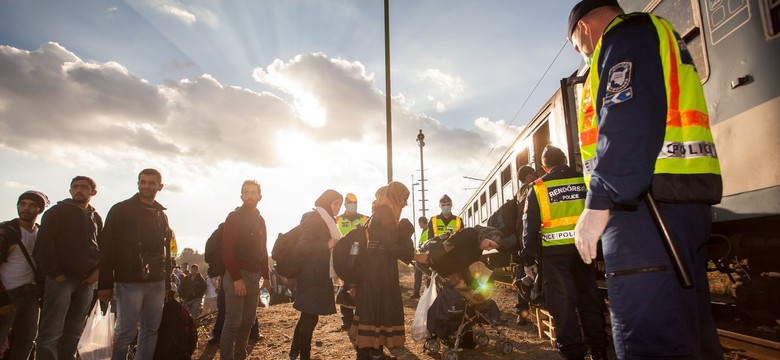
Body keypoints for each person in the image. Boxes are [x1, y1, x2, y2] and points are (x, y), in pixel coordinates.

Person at [568, 1, 723, 358]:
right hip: (678, 204)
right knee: (690, 332)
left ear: (583, 30)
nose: (584, 54)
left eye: (578, 48)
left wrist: (599, 202)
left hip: (644, 210)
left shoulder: (624, 37)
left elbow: (626, 117)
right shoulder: (655, 35)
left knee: (650, 341)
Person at [520, 145, 608, 360]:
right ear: (565, 160)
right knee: (589, 300)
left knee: (563, 305)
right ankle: (599, 351)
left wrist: (528, 256)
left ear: (544, 166)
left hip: (554, 255)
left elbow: (529, 225)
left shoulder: (538, 187)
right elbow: (601, 211)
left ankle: (573, 353)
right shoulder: (584, 179)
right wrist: (602, 252)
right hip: (584, 250)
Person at [97, 168, 172, 360]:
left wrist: (167, 283)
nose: (146, 186)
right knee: (125, 332)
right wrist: (104, 283)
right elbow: (107, 247)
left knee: (150, 330)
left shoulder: (161, 215)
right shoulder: (120, 210)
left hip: (156, 282)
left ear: (160, 186)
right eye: (143, 182)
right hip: (129, 280)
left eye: (151, 182)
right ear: (138, 183)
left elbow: (166, 251)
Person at [351, 182, 427, 360]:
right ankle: (371, 355)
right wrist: (416, 257)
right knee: (379, 309)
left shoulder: (380, 212)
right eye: (403, 198)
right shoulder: (385, 213)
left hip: (376, 268)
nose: (405, 203)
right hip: (378, 270)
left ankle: (372, 353)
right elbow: (391, 246)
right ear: (395, 196)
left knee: (374, 310)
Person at [34, 176, 102, 360]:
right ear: (70, 191)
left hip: (86, 282)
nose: (79, 190)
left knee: (74, 331)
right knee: (51, 331)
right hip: (61, 280)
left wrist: (97, 272)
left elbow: (102, 247)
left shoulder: (95, 217)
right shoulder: (56, 212)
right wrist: (57, 274)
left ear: (93, 192)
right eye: (75, 187)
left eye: (84, 187)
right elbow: (44, 246)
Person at [289, 190, 343, 360]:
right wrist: (327, 244)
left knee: (307, 316)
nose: (338, 208)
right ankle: (304, 356)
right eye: (335, 203)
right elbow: (303, 247)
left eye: (339, 204)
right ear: (326, 202)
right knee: (310, 318)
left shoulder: (327, 220)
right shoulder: (315, 219)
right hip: (312, 276)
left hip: (318, 275)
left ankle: (293, 353)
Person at [220, 180, 271, 360]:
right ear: (241, 196)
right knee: (233, 322)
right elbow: (227, 250)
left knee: (248, 321)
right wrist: (236, 278)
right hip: (237, 274)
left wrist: (266, 276)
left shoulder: (260, 220)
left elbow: (263, 249)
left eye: (253, 192)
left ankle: (240, 355)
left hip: (254, 275)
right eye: (246, 192)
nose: (249, 196)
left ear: (260, 196)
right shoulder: (234, 217)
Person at [0, 191, 49, 360]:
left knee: (26, 340)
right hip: (8, 293)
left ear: (40, 209)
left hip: (32, 294)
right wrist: (3, 298)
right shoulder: (7, 231)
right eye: (23, 204)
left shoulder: (41, 233)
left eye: (32, 205)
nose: (26, 208)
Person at [334, 193, 367, 331]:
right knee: (345, 286)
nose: (352, 205)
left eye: (355, 202)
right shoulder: (338, 219)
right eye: (349, 202)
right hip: (343, 256)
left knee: (361, 286)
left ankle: (360, 317)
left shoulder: (365, 218)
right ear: (345, 204)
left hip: (360, 257)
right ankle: (347, 319)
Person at [513, 165, 537, 325]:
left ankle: (522, 313)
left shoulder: (518, 194)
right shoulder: (533, 188)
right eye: (533, 175)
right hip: (531, 238)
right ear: (529, 176)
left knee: (522, 274)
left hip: (521, 240)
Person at [410, 216, 429, 299]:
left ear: (422, 222)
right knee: (417, 274)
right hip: (420, 256)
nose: (419, 224)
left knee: (427, 274)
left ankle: (427, 291)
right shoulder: (424, 231)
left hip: (425, 257)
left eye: (419, 223)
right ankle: (416, 292)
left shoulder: (428, 231)